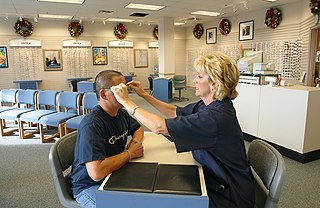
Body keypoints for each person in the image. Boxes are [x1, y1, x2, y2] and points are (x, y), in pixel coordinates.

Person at [111, 52, 255, 208]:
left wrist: (125, 101)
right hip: (217, 179)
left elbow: (158, 127)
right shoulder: (210, 104)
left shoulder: (214, 118)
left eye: (200, 77)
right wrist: (145, 95)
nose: (194, 80)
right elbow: (174, 112)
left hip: (230, 197)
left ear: (215, 83)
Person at [69, 70, 144, 208]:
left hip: (113, 174)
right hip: (89, 186)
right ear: (104, 94)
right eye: (119, 90)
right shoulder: (92, 124)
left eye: (125, 89)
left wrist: (135, 143)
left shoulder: (120, 113)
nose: (125, 94)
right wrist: (129, 154)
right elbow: (96, 173)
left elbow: (138, 128)